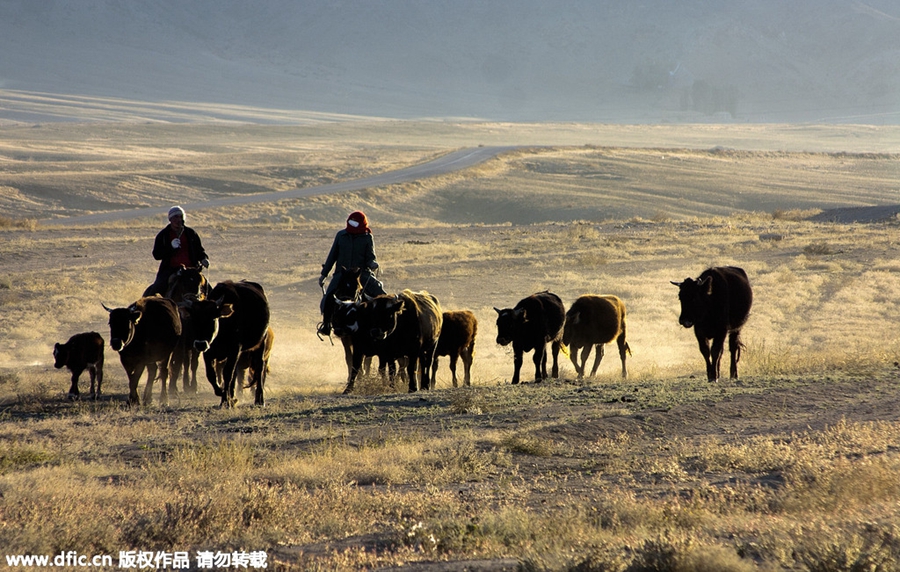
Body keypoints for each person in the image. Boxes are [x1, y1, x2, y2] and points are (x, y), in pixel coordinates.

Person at [317, 210, 386, 336]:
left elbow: (371, 257)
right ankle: (326, 324)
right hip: (341, 275)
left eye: (355, 223)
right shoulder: (341, 235)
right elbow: (332, 256)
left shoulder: (367, 237)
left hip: (361, 274)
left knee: (381, 294)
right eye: (351, 222)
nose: (352, 225)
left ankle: (384, 325)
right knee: (328, 299)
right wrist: (324, 274)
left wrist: (372, 263)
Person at [143, 206, 209, 297]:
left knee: (209, 290)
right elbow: (157, 255)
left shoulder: (191, 233)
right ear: (170, 219)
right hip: (170, 269)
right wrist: (171, 247)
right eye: (175, 217)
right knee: (156, 290)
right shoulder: (163, 235)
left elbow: (199, 250)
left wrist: (203, 259)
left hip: (192, 269)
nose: (178, 220)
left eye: (181, 217)